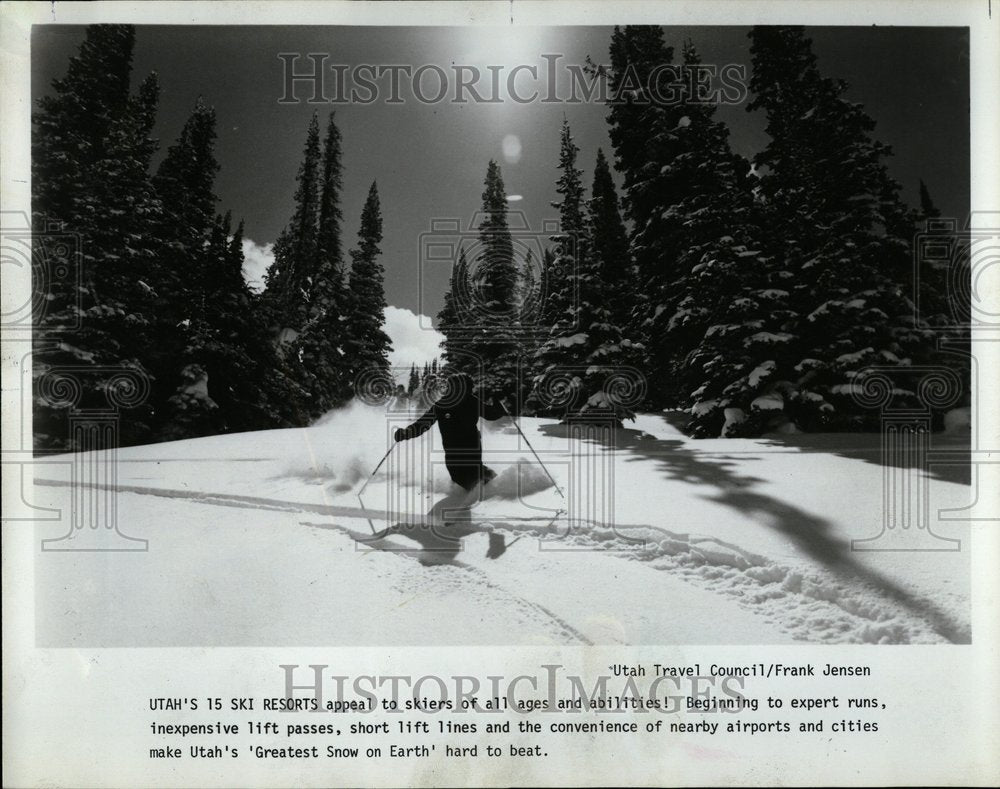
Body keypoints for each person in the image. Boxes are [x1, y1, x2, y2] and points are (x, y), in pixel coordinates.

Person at [393, 371, 506, 492]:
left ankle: (488, 489)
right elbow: (423, 423)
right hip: (451, 447)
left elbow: (491, 414)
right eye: (454, 387)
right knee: (457, 474)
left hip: (471, 444)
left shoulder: (472, 401)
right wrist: (406, 433)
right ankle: (485, 487)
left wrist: (497, 403)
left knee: (473, 471)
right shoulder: (441, 405)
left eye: (462, 387)